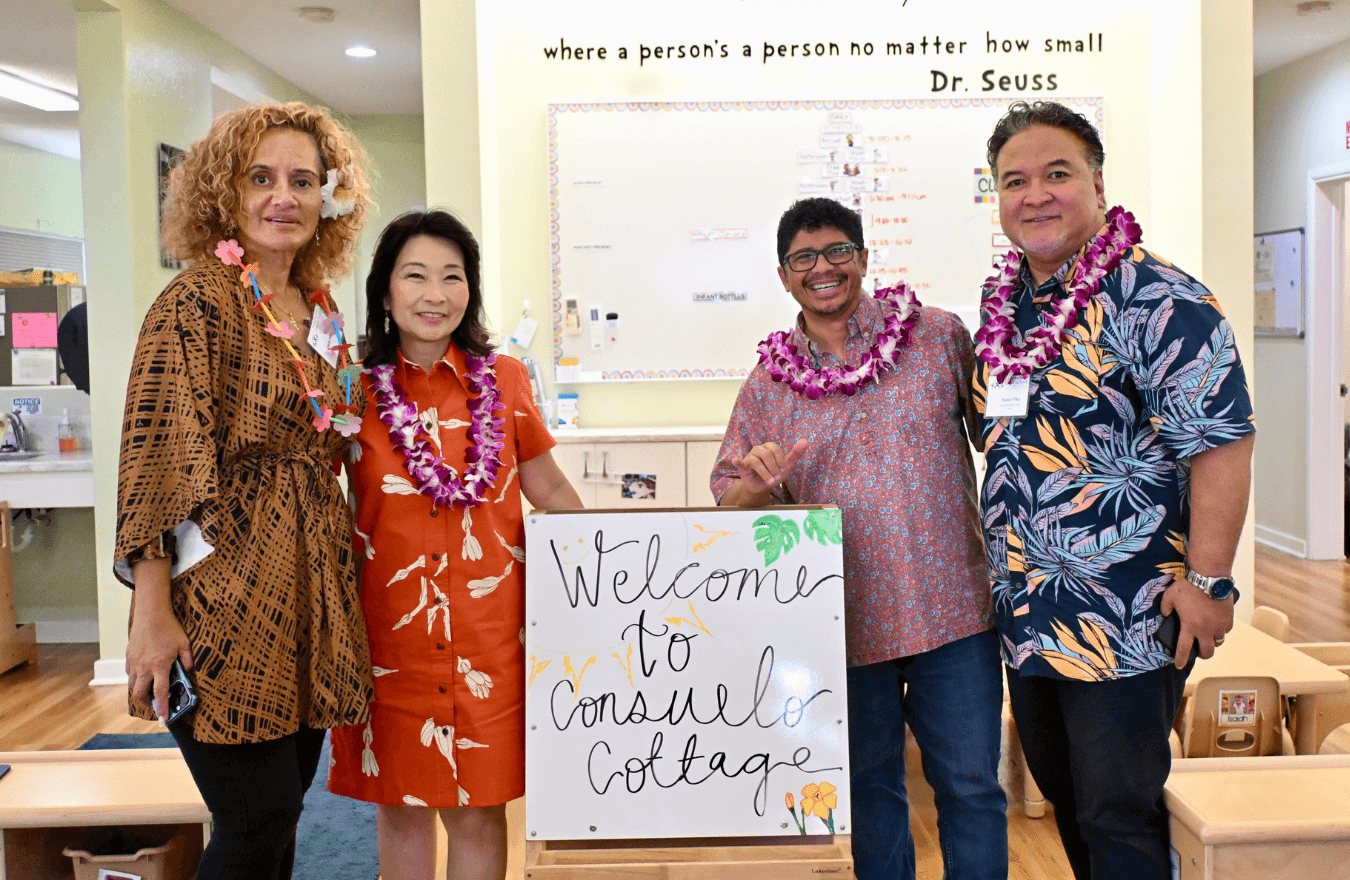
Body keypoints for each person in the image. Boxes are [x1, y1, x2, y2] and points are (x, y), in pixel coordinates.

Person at [974, 101, 1255, 880]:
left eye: (1057, 174)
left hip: (1128, 614)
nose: (1035, 194)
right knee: (1068, 802)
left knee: (1117, 814)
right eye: (1015, 180)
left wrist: (1209, 582)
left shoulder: (1161, 298)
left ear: (1097, 184)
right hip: (1030, 616)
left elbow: (1223, 441)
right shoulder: (1007, 313)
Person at [115, 102, 374, 880]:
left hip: (312, 589)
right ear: (224, 193)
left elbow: (342, 428)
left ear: (326, 197)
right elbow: (155, 464)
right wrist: (150, 614)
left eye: (301, 180)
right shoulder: (194, 304)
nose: (282, 197)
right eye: (260, 179)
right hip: (227, 594)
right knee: (251, 819)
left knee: (283, 809)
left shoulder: (321, 306)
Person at [711, 197, 1006, 880]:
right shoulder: (767, 385)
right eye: (804, 258)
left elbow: (1002, 433)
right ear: (784, 276)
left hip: (954, 615)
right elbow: (732, 500)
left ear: (864, 258)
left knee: (971, 789)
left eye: (839, 250)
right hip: (842, 627)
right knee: (870, 793)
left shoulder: (937, 337)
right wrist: (757, 482)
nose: (824, 267)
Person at [327, 210, 583, 880]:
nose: (435, 293)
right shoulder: (350, 391)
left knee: (478, 809)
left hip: (491, 640)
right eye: (415, 276)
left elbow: (550, 492)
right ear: (385, 293)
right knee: (401, 808)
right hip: (388, 642)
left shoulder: (506, 381)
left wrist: (606, 578)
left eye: (452, 276)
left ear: (470, 290)